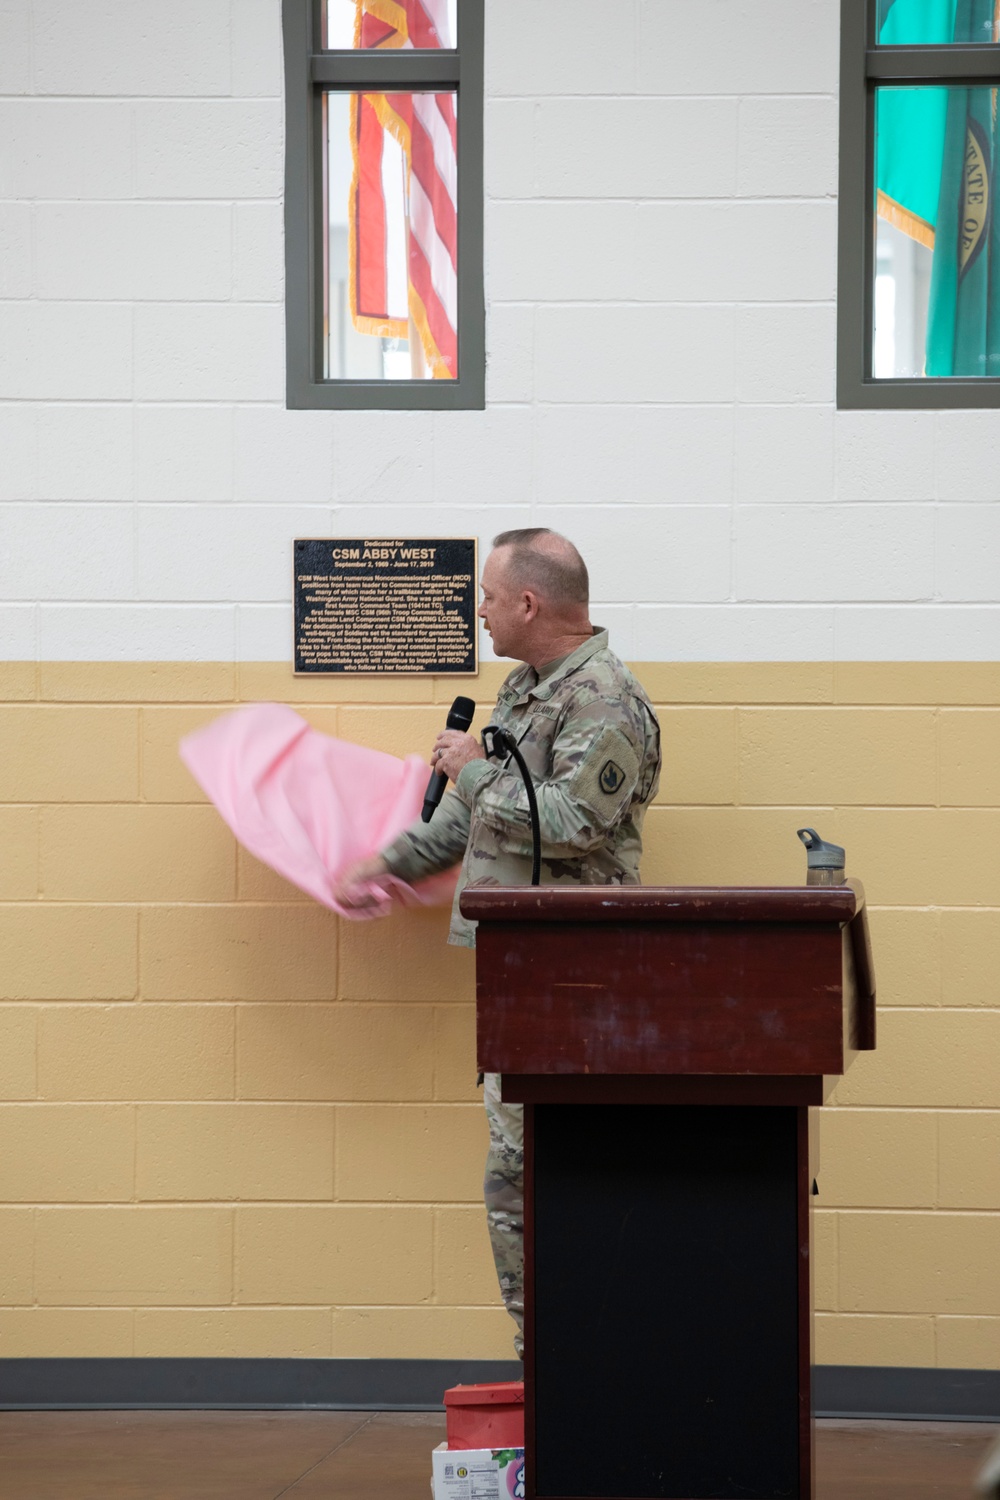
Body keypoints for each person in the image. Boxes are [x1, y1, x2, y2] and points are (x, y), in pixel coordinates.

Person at [335, 528, 662, 1357]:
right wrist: (381, 865)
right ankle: (554, 1361)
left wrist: (475, 767)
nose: (477, 610)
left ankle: (576, 1361)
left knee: (534, 1176)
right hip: (520, 981)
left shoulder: (604, 702)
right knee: (519, 1174)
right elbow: (460, 823)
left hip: (578, 985)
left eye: (487, 596)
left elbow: (575, 825)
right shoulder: (521, 691)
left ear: (528, 602)